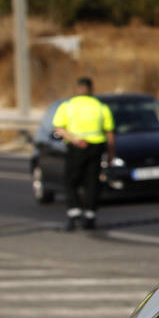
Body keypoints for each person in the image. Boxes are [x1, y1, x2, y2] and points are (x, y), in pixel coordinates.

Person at [52, 76, 115, 230]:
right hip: (96, 147)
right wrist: (111, 153)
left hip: (77, 148)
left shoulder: (68, 106)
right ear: (91, 90)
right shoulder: (101, 107)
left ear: (77, 89)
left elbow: (58, 128)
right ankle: (90, 216)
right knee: (92, 182)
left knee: (71, 181)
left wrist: (75, 140)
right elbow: (110, 133)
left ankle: (74, 214)